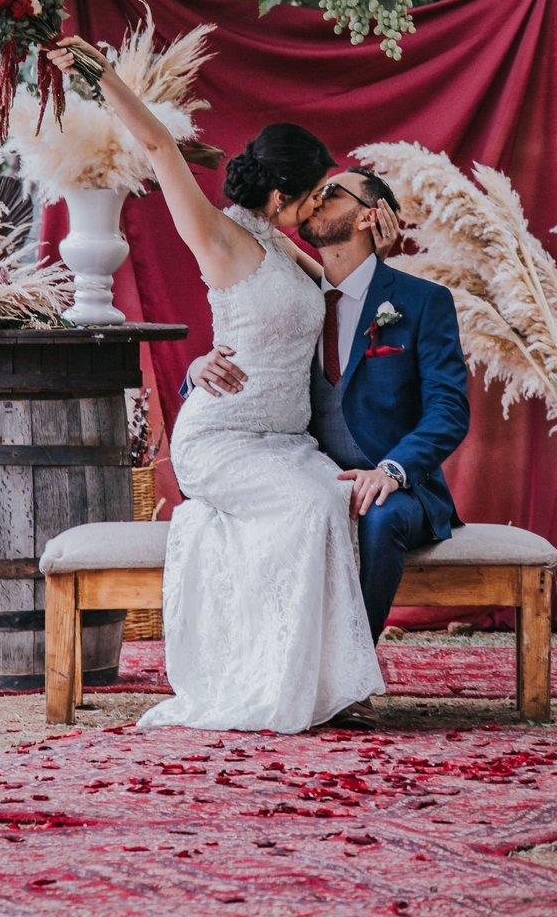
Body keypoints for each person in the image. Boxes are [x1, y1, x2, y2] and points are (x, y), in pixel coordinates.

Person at [45, 36, 398, 733]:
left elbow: (338, 292)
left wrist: (378, 242)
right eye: (316, 193)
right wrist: (104, 76)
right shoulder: (218, 237)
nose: (322, 204)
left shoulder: (277, 242)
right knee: (308, 510)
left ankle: (327, 685)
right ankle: (274, 684)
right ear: (280, 194)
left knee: (331, 502)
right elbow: (158, 147)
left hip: (286, 441)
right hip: (225, 439)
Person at [187, 164, 471, 727]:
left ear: (369, 216)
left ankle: (347, 683)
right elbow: (251, 367)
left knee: (376, 513)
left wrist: (393, 468)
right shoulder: (294, 297)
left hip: (398, 485)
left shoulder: (419, 302)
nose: (313, 201)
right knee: (311, 507)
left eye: (331, 193)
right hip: (297, 470)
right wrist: (196, 370)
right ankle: (279, 671)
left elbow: (449, 410)